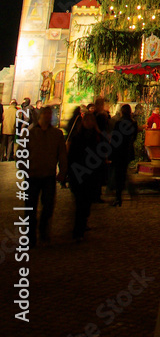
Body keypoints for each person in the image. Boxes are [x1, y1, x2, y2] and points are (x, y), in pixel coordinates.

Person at [27, 105, 67, 247]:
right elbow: (22, 152)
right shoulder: (31, 133)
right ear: (40, 115)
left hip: (49, 175)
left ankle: (43, 231)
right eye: (46, 113)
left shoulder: (56, 134)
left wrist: (62, 171)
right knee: (30, 207)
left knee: (48, 205)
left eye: (50, 114)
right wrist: (23, 167)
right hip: (32, 175)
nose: (48, 116)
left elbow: (62, 154)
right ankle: (30, 236)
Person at [67, 112, 101, 240]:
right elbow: (71, 156)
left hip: (91, 174)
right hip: (79, 173)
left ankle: (82, 224)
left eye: (91, 120)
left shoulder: (97, 137)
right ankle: (78, 231)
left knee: (86, 203)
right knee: (80, 202)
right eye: (87, 121)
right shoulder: (77, 137)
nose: (89, 123)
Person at [110, 104, 138, 206]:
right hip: (127, 151)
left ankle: (118, 196)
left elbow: (114, 138)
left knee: (119, 174)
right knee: (124, 172)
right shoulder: (133, 123)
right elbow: (134, 137)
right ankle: (129, 192)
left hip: (119, 151)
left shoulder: (119, 123)